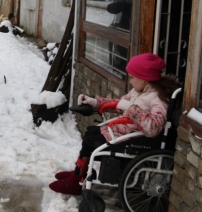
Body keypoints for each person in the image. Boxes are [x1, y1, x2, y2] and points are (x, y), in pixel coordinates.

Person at [49, 53, 182, 196]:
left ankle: (76, 180)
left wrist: (131, 108)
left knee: (90, 140)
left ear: (145, 79)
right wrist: (96, 103)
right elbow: (119, 104)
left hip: (135, 138)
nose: (130, 81)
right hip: (125, 132)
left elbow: (153, 127)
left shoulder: (157, 98)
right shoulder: (138, 91)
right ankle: (78, 173)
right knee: (91, 132)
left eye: (132, 77)